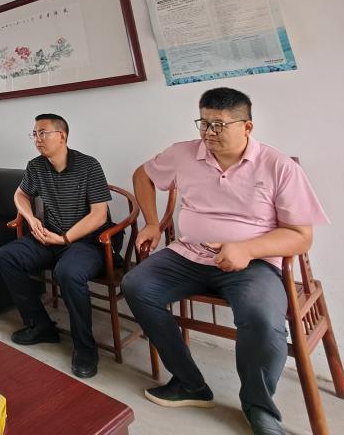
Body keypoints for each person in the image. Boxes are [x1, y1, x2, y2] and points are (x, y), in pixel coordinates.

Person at [121, 88, 328, 435]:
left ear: (247, 126)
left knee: (262, 317)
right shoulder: (183, 154)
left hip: (253, 263)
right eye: (203, 123)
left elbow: (300, 236)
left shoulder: (278, 166)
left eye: (219, 125)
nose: (208, 133)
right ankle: (189, 384)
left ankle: (258, 407)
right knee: (136, 285)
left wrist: (246, 249)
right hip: (190, 254)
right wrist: (153, 222)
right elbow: (143, 175)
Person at [0, 114, 111, 378]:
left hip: (86, 242)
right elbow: (20, 194)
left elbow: (99, 215)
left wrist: (66, 238)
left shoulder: (89, 165)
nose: (37, 139)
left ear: (62, 136)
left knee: (67, 272)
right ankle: (40, 325)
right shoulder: (36, 166)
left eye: (43, 133)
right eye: (34, 133)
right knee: (6, 256)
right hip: (50, 238)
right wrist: (31, 218)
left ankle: (85, 348)